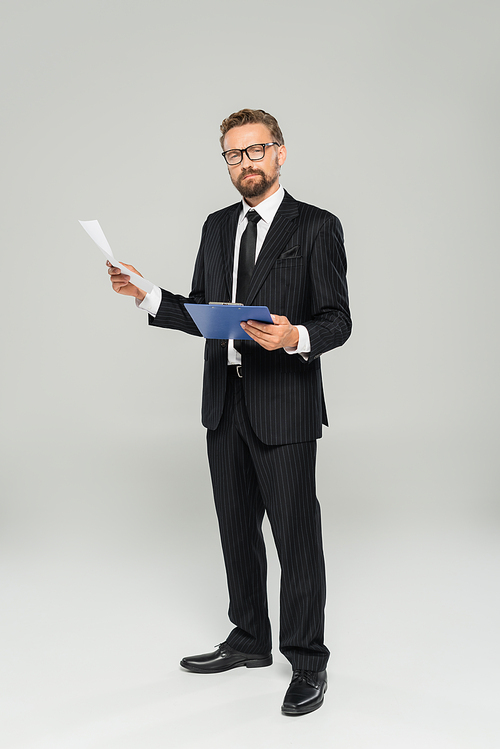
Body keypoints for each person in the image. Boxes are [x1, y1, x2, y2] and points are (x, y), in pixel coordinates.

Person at [107, 108, 351, 716]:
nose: (247, 163)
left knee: (297, 540)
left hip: (285, 405)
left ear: (281, 153)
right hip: (225, 403)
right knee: (237, 531)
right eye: (234, 155)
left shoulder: (316, 227)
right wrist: (148, 295)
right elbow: (201, 312)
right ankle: (249, 639)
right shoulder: (217, 227)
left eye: (257, 151)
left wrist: (294, 336)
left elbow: (338, 320)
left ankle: (308, 662)